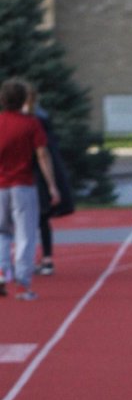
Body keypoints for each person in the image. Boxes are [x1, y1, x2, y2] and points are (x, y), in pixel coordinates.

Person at [0, 78, 59, 301]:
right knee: (25, 235)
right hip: (23, 185)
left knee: (2, 232)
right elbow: (42, 154)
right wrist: (52, 185)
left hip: (1, 186)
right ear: (23, 99)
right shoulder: (30, 123)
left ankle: (2, 273)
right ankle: (22, 284)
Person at [26, 83, 73, 277]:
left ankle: (33, 260)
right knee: (39, 218)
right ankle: (44, 259)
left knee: (31, 218)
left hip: (34, 173)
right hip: (39, 172)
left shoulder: (34, 119)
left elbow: (41, 151)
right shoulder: (39, 116)